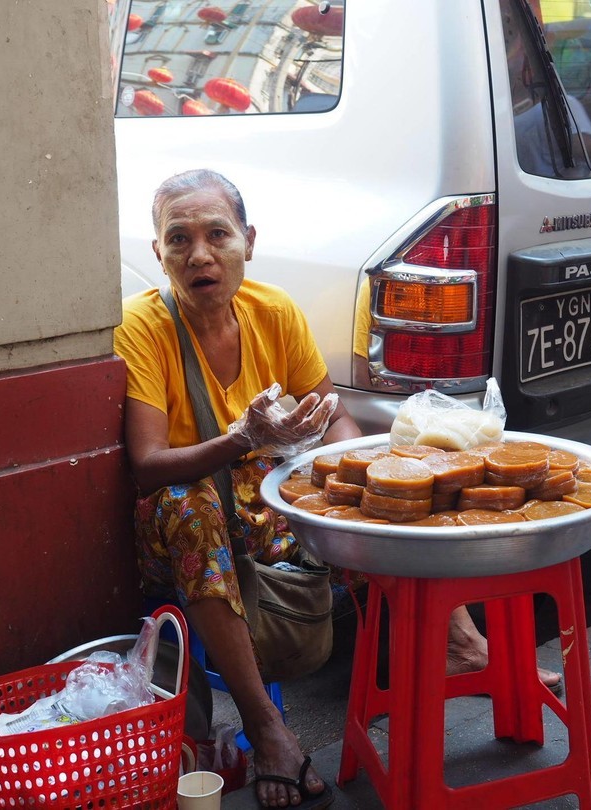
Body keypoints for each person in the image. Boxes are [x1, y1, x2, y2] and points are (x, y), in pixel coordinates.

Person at [113, 169, 560, 808]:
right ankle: (266, 729)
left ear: (249, 241)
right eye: (179, 240)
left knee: (368, 476)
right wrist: (242, 439)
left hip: (259, 496)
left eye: (217, 234)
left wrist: (368, 470)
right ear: (159, 254)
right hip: (188, 513)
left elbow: (334, 417)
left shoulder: (274, 310)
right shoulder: (143, 328)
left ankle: (459, 644)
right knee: (189, 507)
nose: (200, 255)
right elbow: (148, 466)